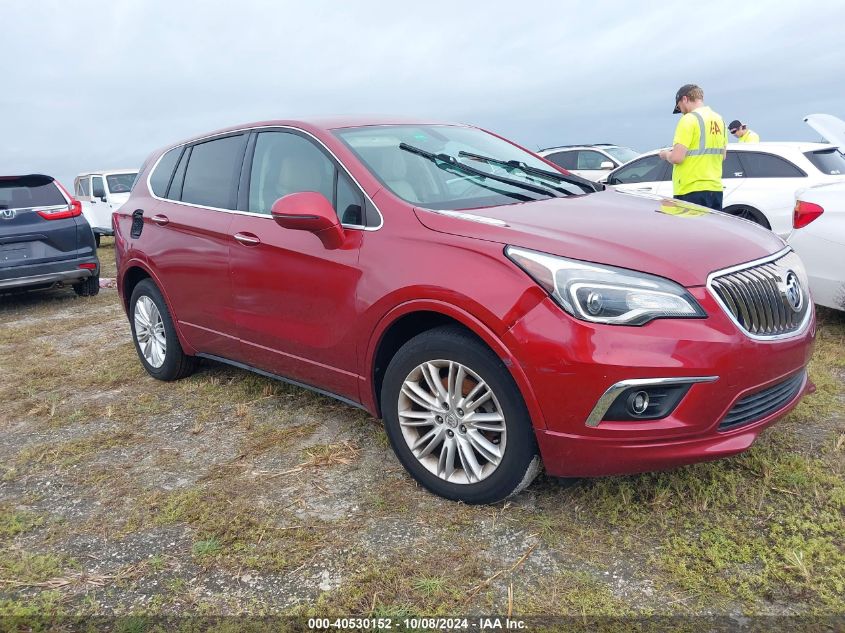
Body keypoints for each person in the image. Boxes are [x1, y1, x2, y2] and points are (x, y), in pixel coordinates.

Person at [658, 84, 727, 211]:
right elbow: (723, 156)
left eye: (679, 107)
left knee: (691, 230)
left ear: (684, 99)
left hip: (691, 190)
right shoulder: (719, 120)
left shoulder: (689, 120)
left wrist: (666, 154)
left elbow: (677, 158)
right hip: (715, 189)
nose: (681, 112)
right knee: (710, 230)